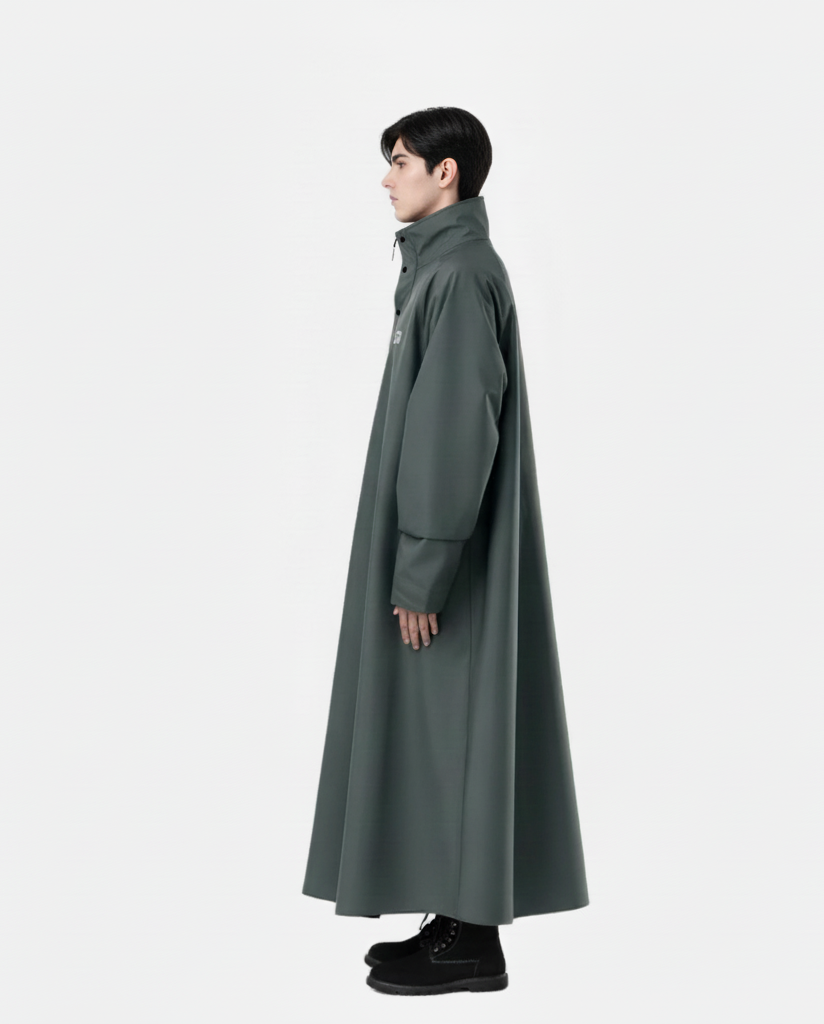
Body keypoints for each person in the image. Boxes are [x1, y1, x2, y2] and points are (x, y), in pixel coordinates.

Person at [302, 106, 588, 996]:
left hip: (449, 556)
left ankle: (471, 939)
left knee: (450, 723)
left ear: (446, 172)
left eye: (400, 161)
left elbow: (454, 431)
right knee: (440, 723)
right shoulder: (440, 268)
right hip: (443, 544)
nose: (388, 178)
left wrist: (424, 566)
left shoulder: (459, 275)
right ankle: (455, 921)